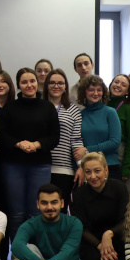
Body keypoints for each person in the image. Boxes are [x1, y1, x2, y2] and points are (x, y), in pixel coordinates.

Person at [0, 67, 59, 238]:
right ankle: (18, 253)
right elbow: (2, 136)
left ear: (37, 82)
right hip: (12, 165)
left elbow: (55, 137)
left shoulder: (47, 107)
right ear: (18, 85)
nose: (29, 85)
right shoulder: (10, 108)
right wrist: (19, 144)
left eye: (32, 81)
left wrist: (36, 145)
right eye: (24, 82)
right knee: (16, 213)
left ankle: (34, 252)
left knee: (36, 211)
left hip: (40, 165)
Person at [70, 152, 128, 260]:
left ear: (106, 170)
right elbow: (81, 228)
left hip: (116, 235)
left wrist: (109, 234)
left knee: (125, 251)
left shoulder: (119, 188)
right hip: (92, 240)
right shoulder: (79, 194)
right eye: (88, 172)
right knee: (90, 258)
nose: (93, 176)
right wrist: (100, 245)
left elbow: (126, 220)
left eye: (97, 171)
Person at [44, 69, 84, 209]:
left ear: (65, 86)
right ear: (46, 85)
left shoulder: (73, 110)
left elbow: (76, 140)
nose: (56, 86)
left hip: (64, 169)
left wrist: (80, 165)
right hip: (40, 167)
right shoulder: (39, 106)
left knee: (59, 210)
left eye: (60, 83)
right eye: (52, 83)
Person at [76, 75, 122, 181]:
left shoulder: (110, 112)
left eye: (99, 90)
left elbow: (115, 142)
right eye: (91, 90)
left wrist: (88, 150)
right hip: (87, 169)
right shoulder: (79, 114)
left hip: (109, 166)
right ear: (84, 92)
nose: (96, 93)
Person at [108, 74, 130, 181]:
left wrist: (127, 167)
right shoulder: (104, 104)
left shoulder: (129, 109)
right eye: (116, 82)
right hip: (104, 153)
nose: (118, 85)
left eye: (123, 84)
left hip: (122, 154)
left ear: (127, 91)